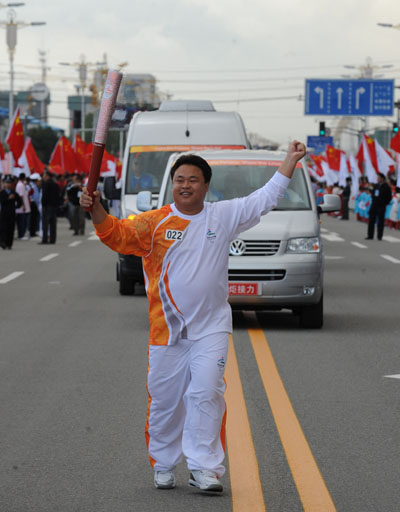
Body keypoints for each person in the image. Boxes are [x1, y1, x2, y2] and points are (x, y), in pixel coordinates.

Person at [80, 141, 306, 494]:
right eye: (180, 179)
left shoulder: (222, 217)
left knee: (207, 392)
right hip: (166, 331)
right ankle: (164, 463)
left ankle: (205, 468)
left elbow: (263, 199)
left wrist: (289, 162)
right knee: (166, 401)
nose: (186, 185)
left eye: (193, 180)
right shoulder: (154, 223)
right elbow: (115, 234)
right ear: (173, 185)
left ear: (206, 185)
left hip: (211, 328)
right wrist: (95, 209)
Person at [366, 173, 392, 240]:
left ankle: (379, 236)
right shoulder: (376, 185)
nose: (377, 179)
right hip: (374, 205)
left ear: (382, 179)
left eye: (378, 178)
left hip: (381, 206)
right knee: (371, 220)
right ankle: (370, 235)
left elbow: (389, 197)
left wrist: (384, 203)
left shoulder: (386, 187)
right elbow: (373, 194)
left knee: (380, 222)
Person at [0, 176, 22, 249]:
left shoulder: (14, 193)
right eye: (6, 183)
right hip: (4, 213)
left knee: (11, 228)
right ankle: (3, 242)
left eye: (9, 183)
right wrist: (8, 198)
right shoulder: (2, 193)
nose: (8, 184)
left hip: (12, 213)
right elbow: (2, 201)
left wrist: (16, 207)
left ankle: (9, 244)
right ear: (4, 184)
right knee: (3, 228)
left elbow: (20, 202)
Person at [40, 170, 60, 244]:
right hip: (54, 206)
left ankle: (45, 239)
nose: (43, 177)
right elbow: (58, 195)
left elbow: (44, 196)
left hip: (47, 206)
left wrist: (43, 205)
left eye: (44, 175)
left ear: (47, 176)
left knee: (45, 223)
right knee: (53, 224)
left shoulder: (46, 184)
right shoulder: (55, 184)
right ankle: (52, 239)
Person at [15, 173, 31, 240]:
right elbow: (21, 196)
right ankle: (21, 235)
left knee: (21, 221)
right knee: (21, 221)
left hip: (21, 206)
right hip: (22, 206)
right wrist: (23, 206)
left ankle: (21, 234)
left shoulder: (20, 184)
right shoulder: (21, 185)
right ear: (24, 178)